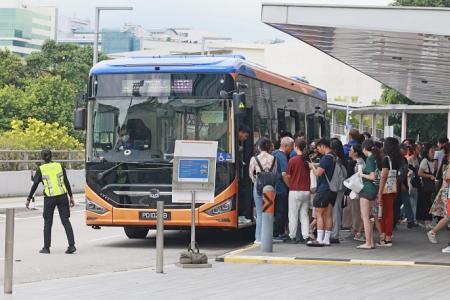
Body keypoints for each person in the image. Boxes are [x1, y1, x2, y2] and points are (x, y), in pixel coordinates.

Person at [26, 149, 76, 254]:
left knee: (48, 222)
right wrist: (71, 196)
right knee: (66, 221)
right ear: (51, 156)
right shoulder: (59, 166)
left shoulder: (41, 169)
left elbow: (35, 184)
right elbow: (66, 181)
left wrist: (29, 198)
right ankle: (72, 246)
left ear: (42, 157)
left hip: (50, 198)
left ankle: (46, 248)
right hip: (62, 196)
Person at [307, 138, 336, 247]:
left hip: (324, 189)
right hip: (333, 189)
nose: (318, 150)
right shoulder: (334, 157)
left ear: (323, 146)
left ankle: (319, 239)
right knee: (329, 215)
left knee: (319, 214)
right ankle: (326, 239)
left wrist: (313, 167)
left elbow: (318, 173)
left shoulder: (326, 158)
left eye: (318, 148)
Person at [249, 138, 276, 244]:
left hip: (259, 186)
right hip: (270, 187)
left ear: (259, 147)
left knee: (260, 213)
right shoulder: (273, 158)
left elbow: (251, 174)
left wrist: (256, 181)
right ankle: (269, 236)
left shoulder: (254, 158)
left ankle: (259, 238)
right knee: (269, 212)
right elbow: (274, 172)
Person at [284, 138, 311, 243]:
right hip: (306, 190)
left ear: (295, 146)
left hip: (295, 190)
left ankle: (292, 236)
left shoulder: (292, 160)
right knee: (304, 214)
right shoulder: (307, 160)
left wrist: (289, 185)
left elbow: (287, 175)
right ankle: (305, 236)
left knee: (293, 214)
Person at [377, 137, 401, 247]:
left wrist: (379, 192)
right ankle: (388, 236)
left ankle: (386, 237)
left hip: (386, 188)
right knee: (390, 211)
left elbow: (383, 176)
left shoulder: (386, 159)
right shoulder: (397, 158)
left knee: (385, 213)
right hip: (394, 187)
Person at [356, 140, 380, 249]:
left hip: (367, 190)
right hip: (374, 190)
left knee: (364, 217)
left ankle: (368, 243)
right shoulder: (376, 158)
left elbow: (372, 176)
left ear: (365, 148)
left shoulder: (370, 159)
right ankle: (370, 242)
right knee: (369, 217)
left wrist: (361, 174)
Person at [272, 136, 294, 240]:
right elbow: (285, 174)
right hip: (281, 188)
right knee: (282, 212)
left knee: (276, 211)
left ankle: (275, 232)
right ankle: (277, 233)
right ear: (286, 146)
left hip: (273, 187)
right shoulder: (282, 156)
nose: (292, 149)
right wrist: (290, 186)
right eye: (291, 147)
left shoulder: (274, 153)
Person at [427, 143, 450, 245]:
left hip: (445, 191)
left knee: (447, 216)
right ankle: (433, 232)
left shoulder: (446, 162)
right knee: (447, 216)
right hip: (447, 192)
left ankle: (433, 232)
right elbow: (447, 178)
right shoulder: (448, 163)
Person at [330, 138, 347, 243]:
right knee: (337, 209)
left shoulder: (335, 159)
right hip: (341, 187)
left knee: (335, 210)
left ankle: (335, 234)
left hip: (335, 187)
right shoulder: (343, 159)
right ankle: (335, 232)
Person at [349, 144, 366, 241]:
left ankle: (357, 231)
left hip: (357, 190)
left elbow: (358, 177)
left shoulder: (359, 163)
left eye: (351, 150)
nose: (349, 151)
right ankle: (357, 230)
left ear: (355, 152)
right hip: (356, 189)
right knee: (356, 211)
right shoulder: (359, 162)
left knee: (357, 211)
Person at [417, 143, 436, 230]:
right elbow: (419, 173)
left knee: (429, 203)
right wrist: (429, 176)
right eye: (432, 151)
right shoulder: (424, 161)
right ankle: (427, 221)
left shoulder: (432, 161)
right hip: (425, 185)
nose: (433, 153)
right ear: (427, 152)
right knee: (426, 203)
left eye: (434, 151)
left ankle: (428, 220)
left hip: (429, 185)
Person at [238, 125, 252, 225]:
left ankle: (241, 215)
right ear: (240, 132)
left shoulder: (238, 143)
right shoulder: (232, 141)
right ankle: (240, 215)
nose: (245, 138)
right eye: (245, 136)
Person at [407, 144, 420, 227]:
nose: (419, 150)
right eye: (418, 149)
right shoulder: (410, 159)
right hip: (410, 181)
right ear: (414, 150)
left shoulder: (416, 159)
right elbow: (408, 171)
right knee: (412, 201)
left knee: (413, 201)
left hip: (415, 182)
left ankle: (411, 219)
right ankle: (412, 219)